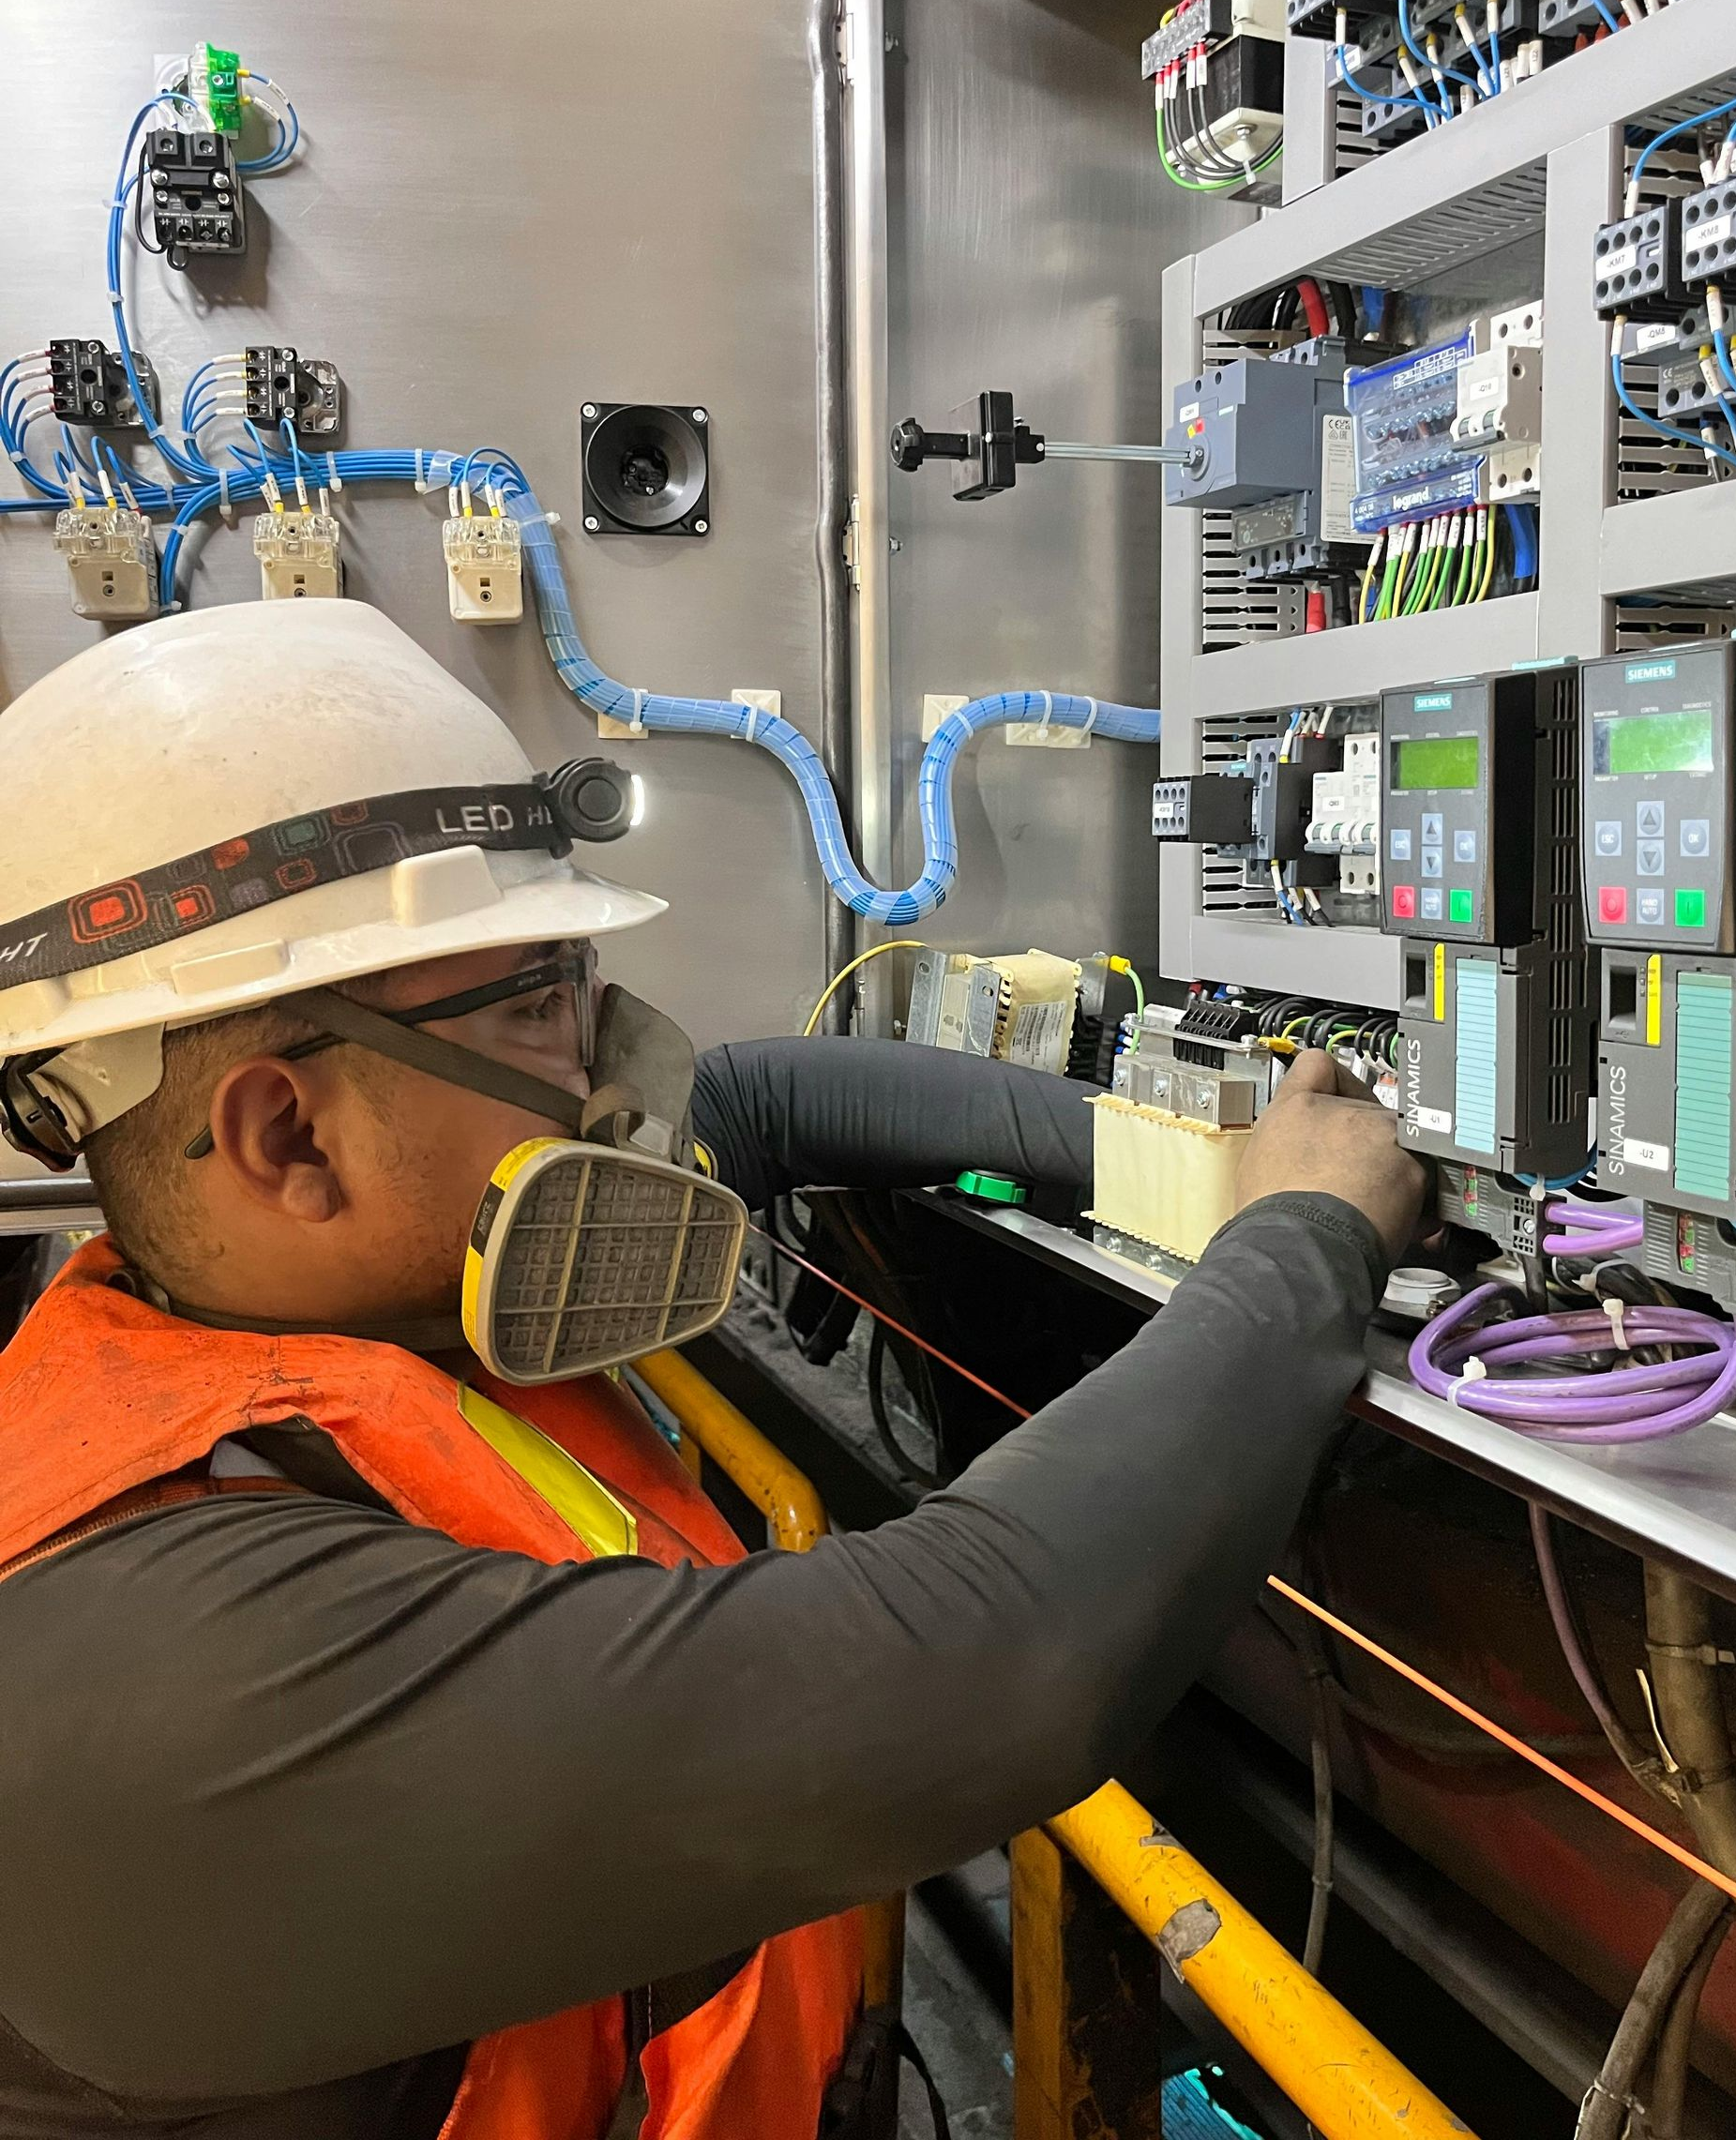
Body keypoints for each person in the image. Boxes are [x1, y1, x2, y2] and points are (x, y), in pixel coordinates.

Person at [0, 601, 1424, 2140]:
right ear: (290, 1138)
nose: (615, 1065)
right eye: (541, 1001)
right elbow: (992, 1660)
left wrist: (1181, 1169)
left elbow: (750, 1097)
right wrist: (1306, 1233)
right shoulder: (166, 1673)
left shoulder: (321, 1310)